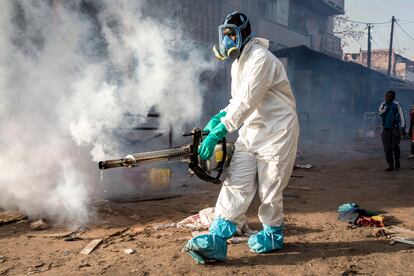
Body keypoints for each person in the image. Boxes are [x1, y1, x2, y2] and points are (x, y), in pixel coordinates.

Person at [183, 11, 299, 264]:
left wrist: (220, 130)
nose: (226, 41)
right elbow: (237, 101)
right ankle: (216, 240)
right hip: (251, 132)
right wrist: (219, 117)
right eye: (224, 35)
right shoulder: (238, 64)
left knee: (270, 189)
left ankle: (272, 234)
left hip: (277, 132)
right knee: (236, 182)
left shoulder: (261, 59)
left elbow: (248, 100)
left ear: (244, 34)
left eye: (230, 35)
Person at [378, 90, 406, 171]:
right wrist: (385, 108)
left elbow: (402, 116)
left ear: (393, 97)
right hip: (385, 130)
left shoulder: (397, 105)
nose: (388, 97)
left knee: (395, 146)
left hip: (395, 129)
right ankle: (390, 165)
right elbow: (380, 114)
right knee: (387, 148)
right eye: (387, 96)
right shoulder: (383, 105)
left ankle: (397, 161)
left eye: (390, 96)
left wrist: (403, 128)